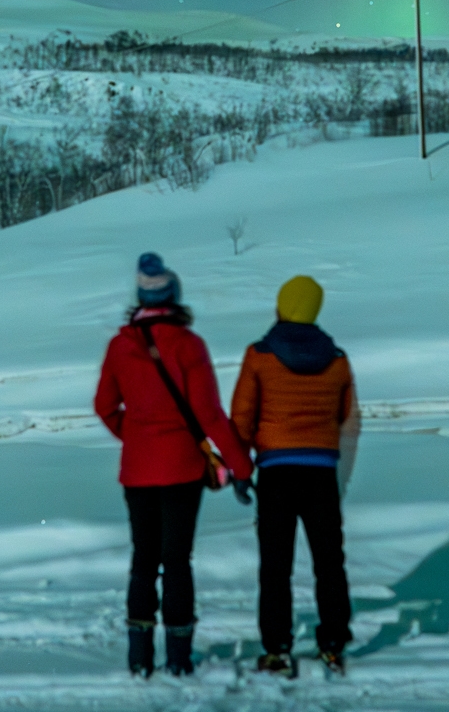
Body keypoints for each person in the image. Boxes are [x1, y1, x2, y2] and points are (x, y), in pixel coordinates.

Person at [93, 252, 252, 678]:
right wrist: (241, 467)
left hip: (137, 471)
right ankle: (179, 658)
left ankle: (139, 658)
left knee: (143, 560)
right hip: (182, 469)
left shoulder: (120, 345)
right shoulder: (189, 345)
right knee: (177, 561)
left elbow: (104, 406)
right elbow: (211, 416)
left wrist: (138, 437)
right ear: (174, 297)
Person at [230, 274, 359, 678]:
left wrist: (240, 469)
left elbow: (242, 418)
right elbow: (349, 421)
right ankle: (333, 644)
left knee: (275, 566)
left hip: (276, 472)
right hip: (321, 471)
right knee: (329, 562)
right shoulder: (338, 361)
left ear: (282, 306)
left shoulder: (259, 356)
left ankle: (277, 649)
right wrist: (339, 475)